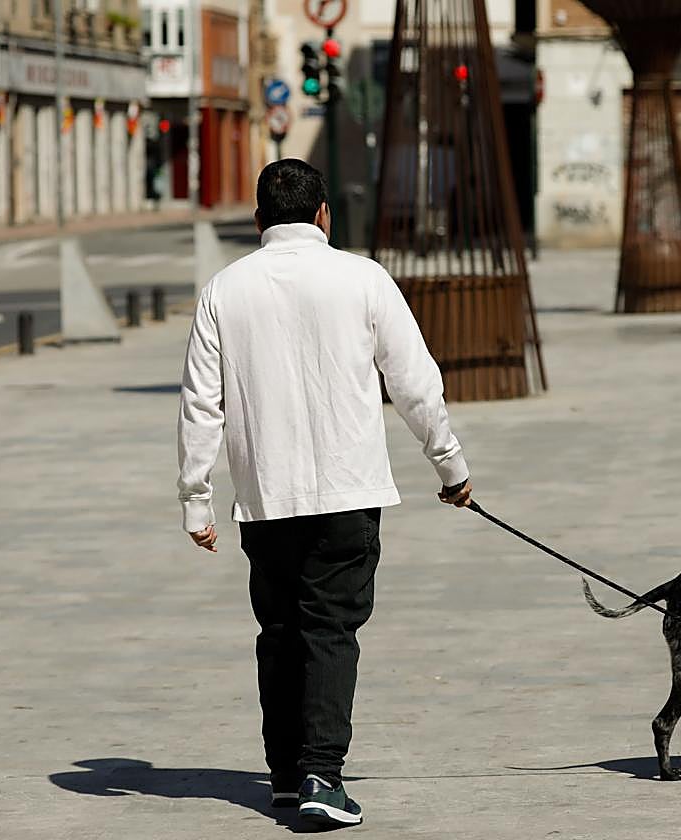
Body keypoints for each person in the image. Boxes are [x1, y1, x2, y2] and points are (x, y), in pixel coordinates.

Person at [177, 158, 473, 827]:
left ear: (257, 221)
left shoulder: (223, 291)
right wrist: (449, 468)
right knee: (331, 630)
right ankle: (321, 774)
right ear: (324, 215)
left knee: (279, 630)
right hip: (347, 491)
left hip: (265, 497)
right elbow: (416, 383)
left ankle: (285, 774)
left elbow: (202, 405)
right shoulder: (363, 278)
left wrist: (196, 498)